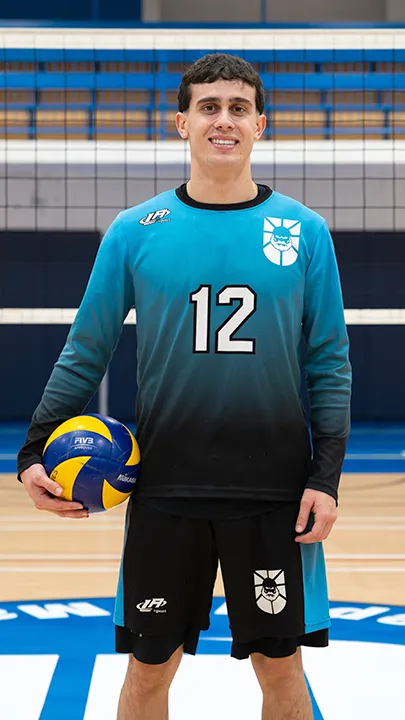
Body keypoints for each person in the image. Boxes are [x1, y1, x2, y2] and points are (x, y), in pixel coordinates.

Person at [18, 53, 352, 720]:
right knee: (148, 673)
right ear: (180, 123)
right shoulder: (134, 232)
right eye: (208, 107)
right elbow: (87, 350)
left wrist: (326, 475)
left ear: (261, 123)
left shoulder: (304, 232)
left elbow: (329, 362)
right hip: (166, 485)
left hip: (273, 492)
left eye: (236, 108)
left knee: (281, 671)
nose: (222, 120)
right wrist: (32, 452)